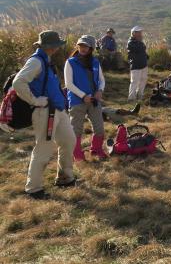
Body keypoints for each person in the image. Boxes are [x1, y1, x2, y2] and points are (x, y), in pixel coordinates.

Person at [12, 31, 76, 199]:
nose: (58, 48)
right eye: (57, 45)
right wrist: (35, 101)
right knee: (43, 149)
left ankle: (65, 178)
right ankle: (33, 188)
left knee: (69, 140)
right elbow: (18, 82)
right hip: (45, 112)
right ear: (51, 46)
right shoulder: (36, 61)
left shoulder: (45, 61)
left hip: (58, 110)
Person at [64, 35, 108, 161]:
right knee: (76, 129)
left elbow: (101, 80)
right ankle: (77, 154)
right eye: (81, 45)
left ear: (91, 48)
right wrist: (83, 96)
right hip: (77, 101)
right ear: (78, 46)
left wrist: (100, 90)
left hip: (94, 100)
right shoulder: (70, 62)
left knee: (99, 127)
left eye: (86, 46)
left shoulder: (95, 62)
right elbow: (68, 84)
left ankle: (96, 150)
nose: (83, 48)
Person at [127, 26, 148, 101]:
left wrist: (146, 57)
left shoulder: (140, 41)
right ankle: (131, 98)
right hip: (136, 65)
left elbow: (143, 50)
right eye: (138, 32)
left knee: (143, 80)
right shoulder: (131, 42)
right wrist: (140, 41)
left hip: (143, 64)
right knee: (134, 82)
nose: (140, 34)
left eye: (140, 32)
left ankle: (140, 96)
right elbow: (139, 49)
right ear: (133, 33)